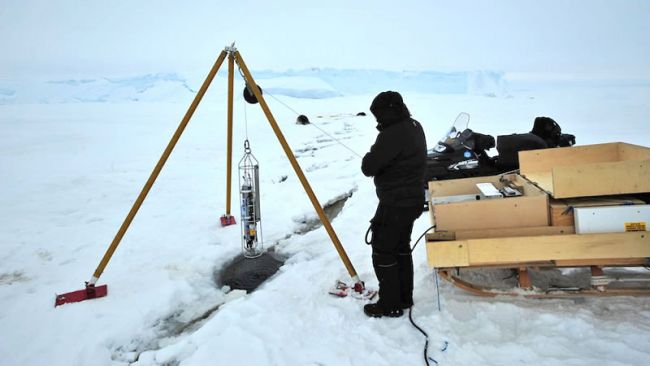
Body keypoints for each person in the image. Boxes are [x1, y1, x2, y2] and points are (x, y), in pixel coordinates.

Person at [361, 91, 427, 318]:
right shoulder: (414, 126)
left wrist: (373, 151)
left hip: (396, 203)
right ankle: (404, 298)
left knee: (383, 251)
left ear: (390, 111)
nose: (377, 120)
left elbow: (369, 166)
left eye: (379, 115)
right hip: (412, 200)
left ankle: (390, 303)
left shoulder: (393, 133)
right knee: (400, 248)